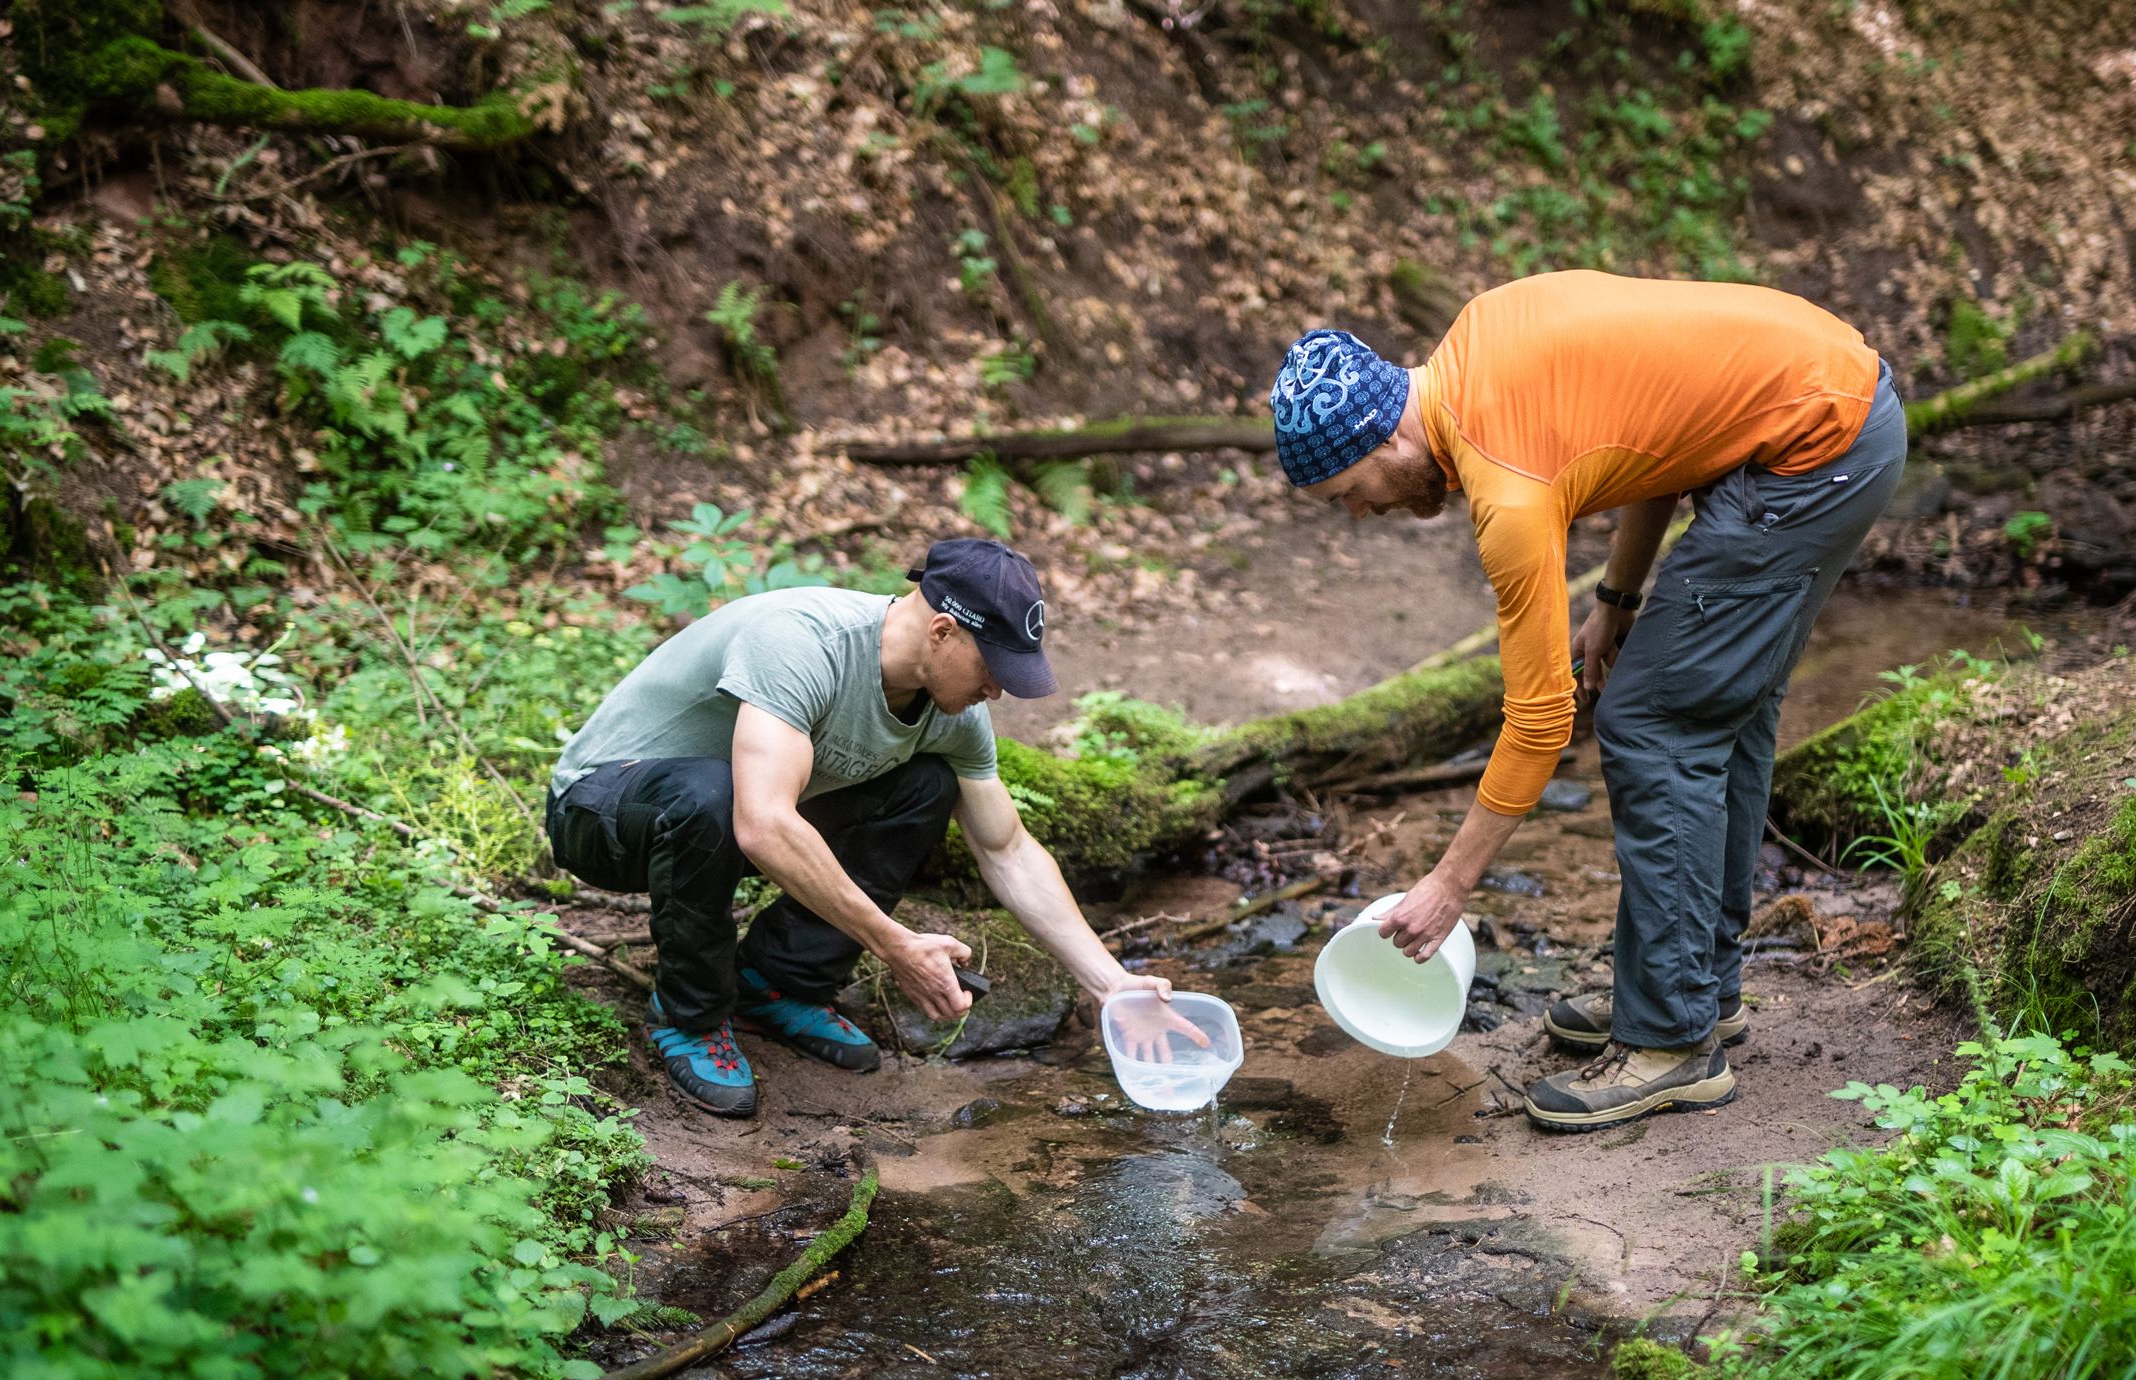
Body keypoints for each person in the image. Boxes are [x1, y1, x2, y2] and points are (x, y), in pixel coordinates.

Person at [1270, 271, 1907, 1133]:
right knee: (1717, 704)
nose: (1360, 514)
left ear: (1380, 440)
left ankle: (1674, 1043)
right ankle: (1695, 992)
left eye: (1349, 494)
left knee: (1652, 719)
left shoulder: (1504, 491)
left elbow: (1539, 721)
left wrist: (1448, 885)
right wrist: (1616, 599)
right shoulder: (1480, 340)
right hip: (1819, 399)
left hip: (1817, 445)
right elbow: (1656, 441)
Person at [545, 538, 1193, 1118]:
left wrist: (1109, 982)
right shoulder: (802, 643)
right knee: (714, 793)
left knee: (925, 787)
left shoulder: (951, 714)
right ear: (942, 630)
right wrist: (894, 944)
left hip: (726, 815)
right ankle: (690, 1013)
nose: (996, 691)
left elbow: (1008, 849)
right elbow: (764, 823)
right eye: (992, 670)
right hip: (604, 811)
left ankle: (777, 982)